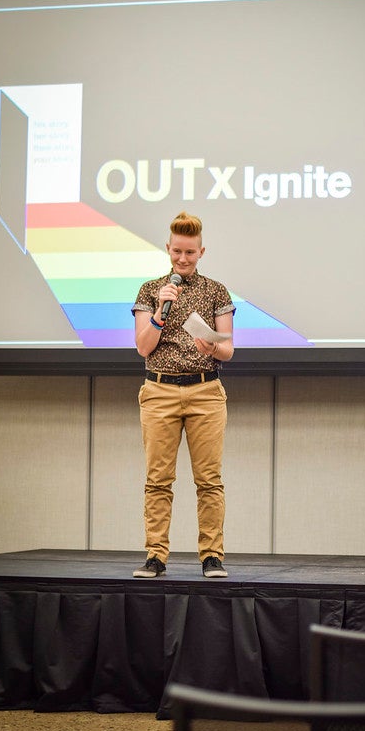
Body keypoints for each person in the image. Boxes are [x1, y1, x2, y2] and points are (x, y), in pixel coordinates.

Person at [131, 212, 235, 579]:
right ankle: (156, 556)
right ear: (168, 249)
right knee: (158, 479)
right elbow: (143, 347)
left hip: (206, 390)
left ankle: (212, 557)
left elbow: (228, 350)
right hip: (159, 390)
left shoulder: (216, 291)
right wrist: (160, 311)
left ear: (201, 250)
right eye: (177, 251)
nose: (183, 259)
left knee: (209, 480)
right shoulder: (150, 291)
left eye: (190, 252)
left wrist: (211, 347)